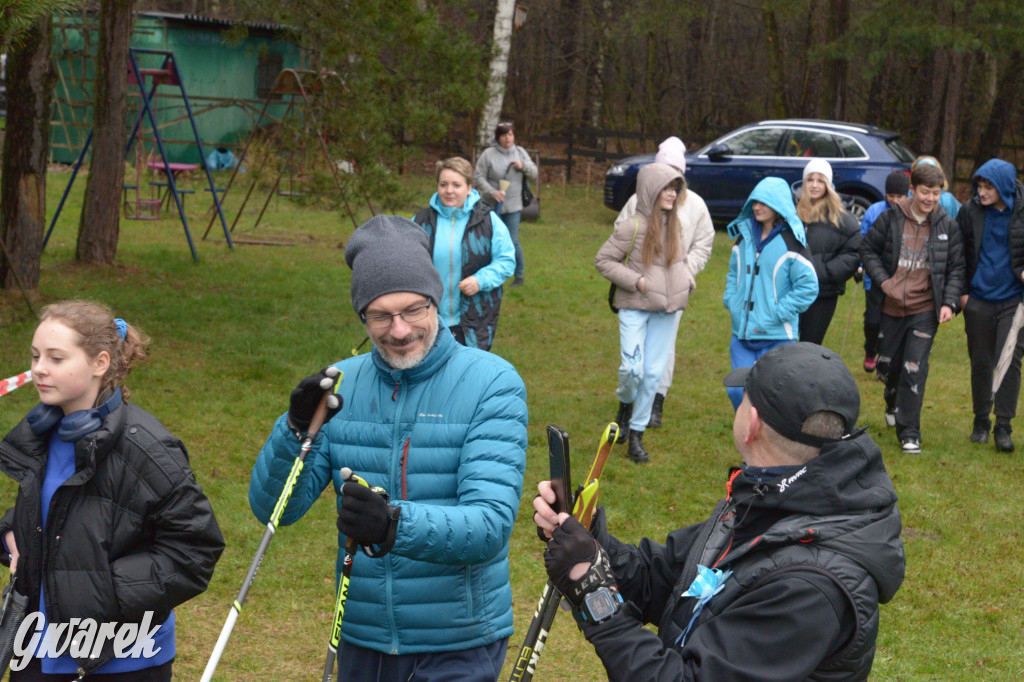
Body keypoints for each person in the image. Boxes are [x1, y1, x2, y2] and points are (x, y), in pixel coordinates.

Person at [248, 215, 528, 681]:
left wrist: (391, 523)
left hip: (456, 639)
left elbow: (490, 525)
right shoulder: (342, 384)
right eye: (380, 315)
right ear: (363, 316)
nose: (399, 331)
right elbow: (274, 509)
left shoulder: (492, 383)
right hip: (362, 635)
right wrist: (294, 429)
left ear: (436, 302)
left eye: (414, 309)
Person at [533, 342, 905, 680]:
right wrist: (589, 543)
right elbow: (668, 580)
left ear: (752, 425)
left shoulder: (810, 589)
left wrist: (594, 592)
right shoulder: (769, 493)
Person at [0, 300, 224, 679]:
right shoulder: (42, 436)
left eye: (56, 358)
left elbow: (195, 550)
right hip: (36, 650)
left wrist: (100, 591)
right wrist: (11, 536)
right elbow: (54, 514)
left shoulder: (147, 449)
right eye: (36, 356)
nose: (39, 368)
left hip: (121, 659)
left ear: (100, 363)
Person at [860, 162, 965, 453]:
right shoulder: (891, 218)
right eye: (925, 192)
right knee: (891, 367)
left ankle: (910, 432)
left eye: (936, 192)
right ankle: (892, 397)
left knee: (914, 368)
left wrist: (949, 303)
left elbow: (957, 268)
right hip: (891, 308)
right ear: (912, 190)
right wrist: (883, 282)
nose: (931, 198)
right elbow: (867, 250)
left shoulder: (947, 225)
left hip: (924, 310)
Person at [596, 163, 696, 464]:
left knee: (653, 374)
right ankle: (625, 406)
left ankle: (636, 434)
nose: (672, 193)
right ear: (651, 190)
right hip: (635, 309)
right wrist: (636, 281)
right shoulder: (632, 227)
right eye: (666, 187)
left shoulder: (676, 225)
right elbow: (604, 260)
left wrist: (686, 282)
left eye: (675, 188)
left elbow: (680, 263)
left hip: (667, 311)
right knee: (632, 369)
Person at [614, 137, 714, 430]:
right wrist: (632, 275)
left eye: (675, 171)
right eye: (664, 168)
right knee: (633, 352)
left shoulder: (695, 205)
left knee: (663, 349)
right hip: (640, 290)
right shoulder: (637, 202)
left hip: (673, 292)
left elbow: (704, 243)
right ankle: (627, 404)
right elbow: (620, 236)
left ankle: (657, 400)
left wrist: (684, 274)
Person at [723, 176, 818, 410]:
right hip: (742, 336)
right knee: (737, 390)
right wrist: (732, 301)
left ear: (779, 206)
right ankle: (749, 432)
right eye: (755, 202)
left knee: (773, 397)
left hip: (777, 336)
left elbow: (809, 286)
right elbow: (733, 273)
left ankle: (768, 439)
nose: (757, 207)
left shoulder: (793, 243)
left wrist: (779, 312)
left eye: (764, 202)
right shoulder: (743, 238)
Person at [413, 156, 515, 351]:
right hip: (428, 318)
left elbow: (507, 260)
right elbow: (406, 262)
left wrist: (480, 280)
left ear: (469, 188)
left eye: (456, 185)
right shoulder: (420, 221)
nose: (449, 190)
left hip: (473, 319)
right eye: (443, 184)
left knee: (469, 375)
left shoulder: (488, 221)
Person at [956, 158, 1024, 452]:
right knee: (981, 362)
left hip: (1014, 300)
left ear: (1004, 186)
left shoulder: (1022, 211)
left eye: (988, 187)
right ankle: (981, 421)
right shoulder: (969, 212)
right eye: (979, 186)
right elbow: (958, 256)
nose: (981, 192)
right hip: (978, 299)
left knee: (1009, 361)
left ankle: (1004, 426)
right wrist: (962, 294)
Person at [795, 158, 862, 345]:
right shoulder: (791, 214)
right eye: (810, 180)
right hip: (790, 290)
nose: (814, 185)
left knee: (810, 346)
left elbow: (853, 252)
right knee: (785, 343)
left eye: (820, 180)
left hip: (822, 294)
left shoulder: (842, 219)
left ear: (828, 185)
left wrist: (823, 273)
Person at [474, 121, 538, 287]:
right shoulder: (488, 154)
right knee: (489, 240)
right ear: (498, 137)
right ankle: (489, 275)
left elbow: (534, 174)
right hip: (491, 205)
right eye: (503, 135)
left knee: (513, 240)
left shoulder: (520, 152)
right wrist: (492, 192)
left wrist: (523, 166)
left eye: (510, 134)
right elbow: (478, 176)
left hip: (513, 206)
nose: (507, 138)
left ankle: (519, 276)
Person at [860, 171, 912, 372]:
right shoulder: (874, 212)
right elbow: (864, 241)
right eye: (892, 196)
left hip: (900, 276)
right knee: (872, 320)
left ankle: (887, 356)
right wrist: (862, 266)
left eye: (900, 197)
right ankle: (871, 349)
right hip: (875, 277)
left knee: (892, 320)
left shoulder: (912, 213)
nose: (896, 201)